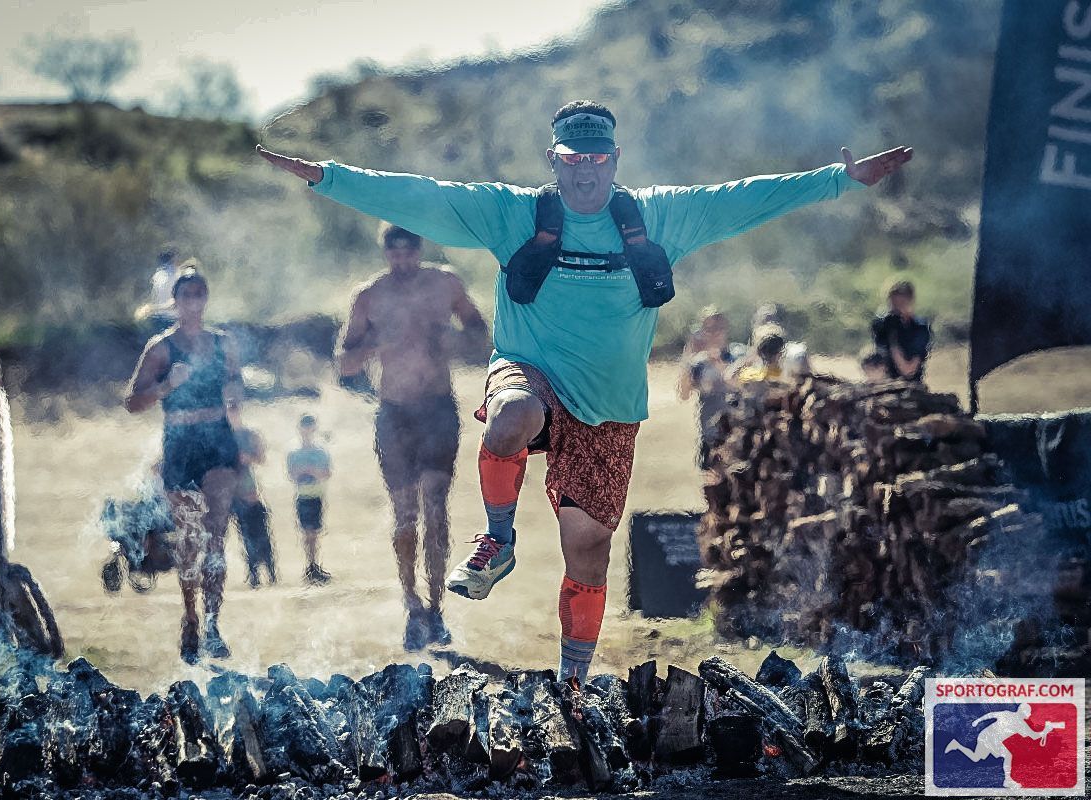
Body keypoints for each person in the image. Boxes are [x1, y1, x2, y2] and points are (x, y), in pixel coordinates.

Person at [258, 99, 912, 681]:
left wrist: (839, 179)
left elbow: (741, 199)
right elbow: (419, 196)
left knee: (589, 552)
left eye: (597, 158)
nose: (585, 172)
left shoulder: (657, 217)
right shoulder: (515, 214)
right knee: (511, 413)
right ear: (554, 159)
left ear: (615, 159)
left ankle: (573, 681)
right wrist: (325, 176)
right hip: (531, 373)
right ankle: (498, 540)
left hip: (608, 410)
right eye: (573, 159)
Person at [334, 223, 488, 651]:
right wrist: (375, 345)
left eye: (409, 250)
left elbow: (481, 336)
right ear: (385, 252)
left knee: (435, 509)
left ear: (420, 248)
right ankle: (411, 604)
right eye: (394, 251)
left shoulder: (445, 284)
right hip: (395, 414)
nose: (402, 259)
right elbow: (344, 363)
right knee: (405, 516)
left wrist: (453, 338)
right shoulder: (369, 296)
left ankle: (436, 608)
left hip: (437, 408)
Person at [125, 266, 240, 664]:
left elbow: (235, 384)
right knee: (190, 537)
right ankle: (190, 617)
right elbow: (132, 402)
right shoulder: (161, 348)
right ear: (174, 302)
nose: (193, 302)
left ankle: (213, 624)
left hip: (219, 440)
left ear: (206, 299)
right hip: (181, 442)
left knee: (216, 536)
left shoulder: (224, 344)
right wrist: (167, 385)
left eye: (199, 294)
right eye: (186, 295)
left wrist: (236, 396)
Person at [677, 308, 737, 468]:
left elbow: (739, 386)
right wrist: (688, 354)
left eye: (719, 328)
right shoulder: (698, 364)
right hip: (710, 435)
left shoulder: (737, 356)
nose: (714, 334)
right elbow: (684, 395)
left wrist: (718, 363)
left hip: (737, 434)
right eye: (709, 329)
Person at [229, 402, 277, 588]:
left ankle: (270, 570)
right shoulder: (222, 437)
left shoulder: (249, 435)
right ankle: (254, 574)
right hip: (231, 492)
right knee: (246, 537)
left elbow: (261, 457)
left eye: (234, 411)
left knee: (260, 534)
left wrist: (247, 458)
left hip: (248, 490)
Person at [286, 413, 331, 586]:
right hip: (303, 496)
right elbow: (292, 475)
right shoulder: (294, 453)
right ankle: (310, 564)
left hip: (316, 495)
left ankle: (314, 564)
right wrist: (310, 471)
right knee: (307, 533)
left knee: (315, 534)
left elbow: (326, 473)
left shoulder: (321, 452)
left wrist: (309, 470)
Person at [871, 280, 931, 381]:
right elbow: (877, 362)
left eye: (902, 304)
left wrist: (893, 340)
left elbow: (909, 370)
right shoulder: (882, 325)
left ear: (910, 302)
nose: (898, 310)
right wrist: (891, 331)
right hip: (885, 382)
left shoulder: (920, 327)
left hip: (913, 384)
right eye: (894, 305)